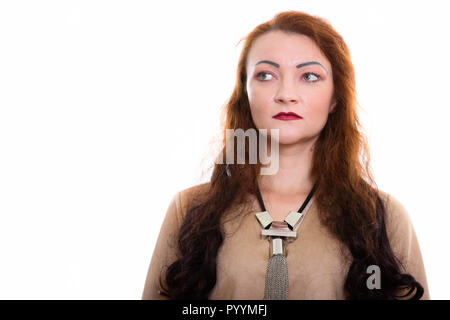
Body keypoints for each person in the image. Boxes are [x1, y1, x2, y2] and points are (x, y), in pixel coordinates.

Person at [141, 10, 430, 300]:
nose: (286, 93)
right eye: (266, 75)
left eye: (309, 76)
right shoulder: (189, 209)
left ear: (335, 97)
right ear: (246, 92)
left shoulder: (384, 217)